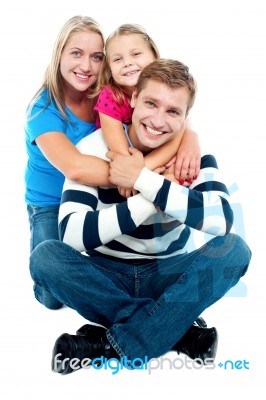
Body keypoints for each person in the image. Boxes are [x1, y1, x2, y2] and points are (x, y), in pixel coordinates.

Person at [30, 58, 251, 375]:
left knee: (235, 251)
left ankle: (107, 344)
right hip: (106, 275)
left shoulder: (191, 157)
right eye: (151, 103)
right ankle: (175, 329)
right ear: (133, 100)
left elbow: (221, 221)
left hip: (165, 273)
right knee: (46, 257)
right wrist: (153, 193)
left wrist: (144, 181)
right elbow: (73, 234)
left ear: (186, 119)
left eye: (173, 111)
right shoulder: (93, 148)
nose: (158, 120)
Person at [24, 16, 201, 309]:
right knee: (52, 295)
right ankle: (144, 314)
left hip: (98, 194)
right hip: (51, 201)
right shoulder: (43, 110)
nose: (86, 66)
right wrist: (138, 175)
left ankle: (126, 305)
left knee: (123, 251)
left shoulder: (111, 91)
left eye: (97, 57)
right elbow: (76, 168)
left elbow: (170, 113)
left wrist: (190, 136)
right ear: (59, 56)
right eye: (76, 53)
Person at [94, 24, 199, 197]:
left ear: (155, 56)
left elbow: (180, 128)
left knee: (175, 168)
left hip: (148, 155)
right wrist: (131, 172)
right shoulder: (110, 96)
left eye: (135, 54)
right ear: (109, 68)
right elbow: (119, 152)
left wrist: (143, 170)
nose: (127, 63)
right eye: (117, 59)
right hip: (117, 152)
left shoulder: (168, 89)